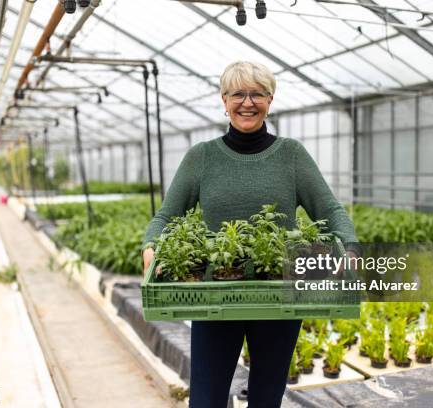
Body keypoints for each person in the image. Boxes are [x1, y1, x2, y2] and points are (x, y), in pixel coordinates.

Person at [142, 61, 358, 408]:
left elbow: (330, 210)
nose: (247, 102)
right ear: (223, 99)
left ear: (270, 100)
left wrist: (348, 247)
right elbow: (167, 215)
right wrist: (151, 246)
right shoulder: (202, 158)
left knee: (266, 398)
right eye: (238, 94)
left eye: (257, 93)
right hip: (214, 297)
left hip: (279, 293)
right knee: (207, 398)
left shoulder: (291, 155)